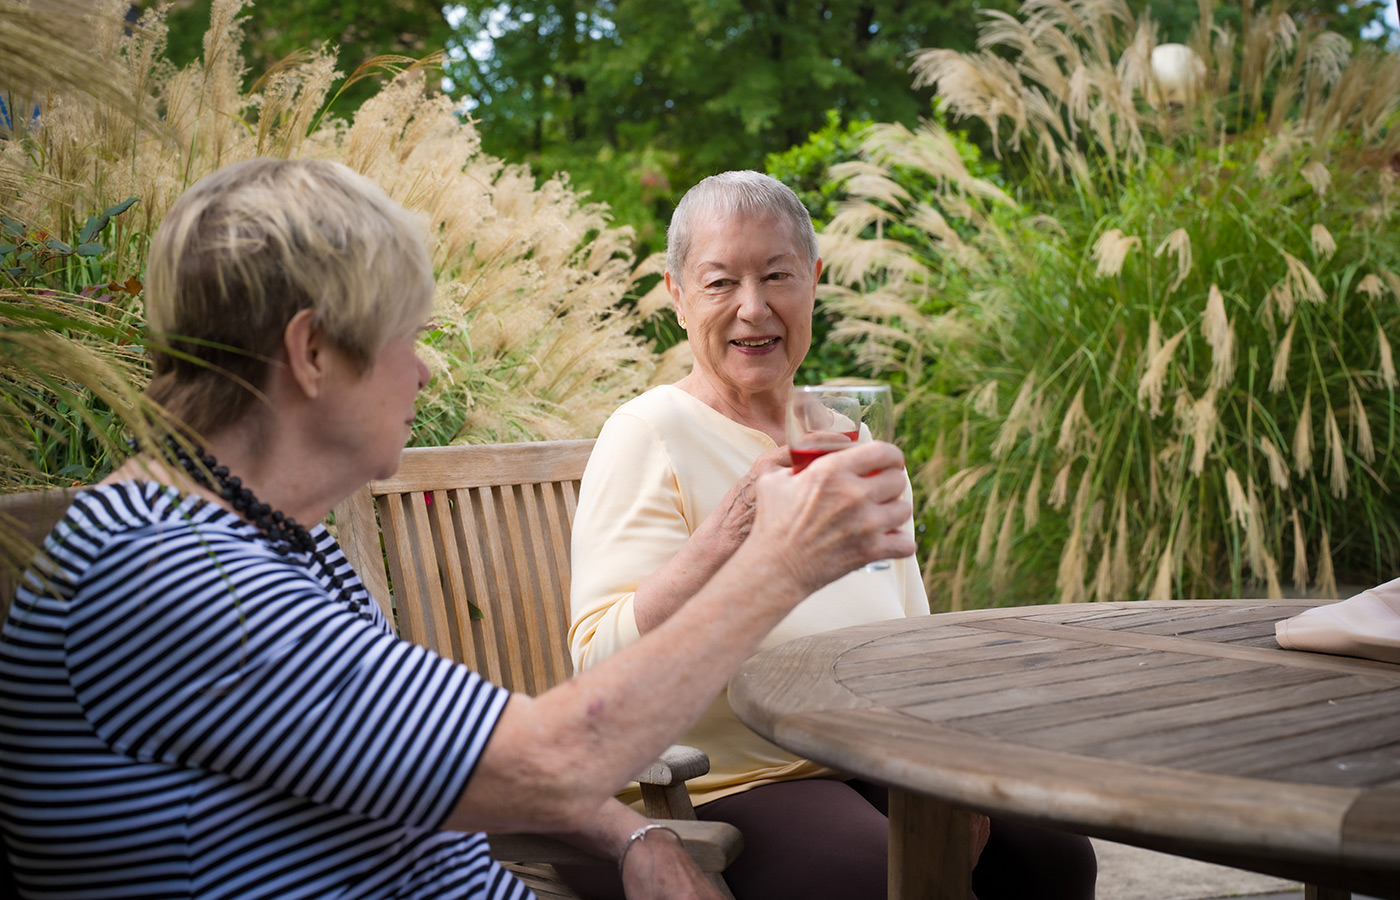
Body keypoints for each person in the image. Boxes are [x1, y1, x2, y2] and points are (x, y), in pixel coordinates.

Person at [0, 158, 917, 900]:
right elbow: (549, 759)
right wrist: (784, 562)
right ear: (312, 353)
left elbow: (453, 753)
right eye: (409, 336)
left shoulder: (268, 540)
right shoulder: (172, 572)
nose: (428, 373)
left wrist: (634, 833)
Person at [567, 170, 1098, 900]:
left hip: (867, 761)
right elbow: (597, 660)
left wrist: (951, 765)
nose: (754, 309)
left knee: (1052, 850)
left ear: (813, 282)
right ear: (678, 295)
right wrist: (724, 540)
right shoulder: (651, 432)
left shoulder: (850, 442)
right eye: (721, 283)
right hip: (720, 779)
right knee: (874, 874)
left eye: (777, 275)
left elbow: (909, 633)